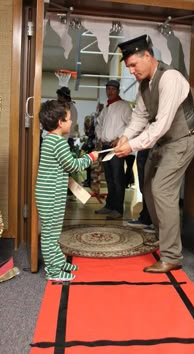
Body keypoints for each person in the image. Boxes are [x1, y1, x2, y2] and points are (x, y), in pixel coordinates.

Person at [115, 34, 194, 273]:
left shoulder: (170, 78)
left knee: (162, 189)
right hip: (162, 143)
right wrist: (125, 137)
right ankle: (165, 241)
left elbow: (161, 124)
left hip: (182, 141)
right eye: (128, 66)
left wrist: (131, 146)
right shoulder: (144, 85)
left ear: (148, 56)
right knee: (148, 190)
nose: (131, 70)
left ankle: (172, 256)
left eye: (133, 64)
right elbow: (140, 117)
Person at [35, 100, 98, 281]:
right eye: (69, 119)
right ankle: (53, 272)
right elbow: (73, 166)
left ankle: (59, 261)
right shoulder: (58, 143)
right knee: (49, 235)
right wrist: (90, 157)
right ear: (60, 123)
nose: (71, 122)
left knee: (53, 232)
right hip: (51, 196)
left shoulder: (49, 140)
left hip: (49, 195)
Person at [95, 80, 132, 220]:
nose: (110, 91)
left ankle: (118, 209)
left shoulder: (124, 106)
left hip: (116, 147)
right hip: (105, 147)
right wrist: (99, 137)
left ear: (117, 90)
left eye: (112, 89)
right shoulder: (106, 108)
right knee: (109, 178)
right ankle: (109, 206)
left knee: (117, 178)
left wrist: (120, 138)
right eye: (108, 89)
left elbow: (131, 125)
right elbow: (99, 124)